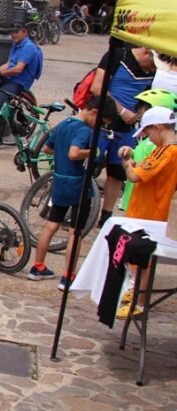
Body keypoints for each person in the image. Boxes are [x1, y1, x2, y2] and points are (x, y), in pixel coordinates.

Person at [115, 106, 177, 318]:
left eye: (148, 132)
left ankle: (139, 303)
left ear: (158, 128)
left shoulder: (165, 151)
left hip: (148, 213)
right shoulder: (168, 151)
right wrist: (134, 160)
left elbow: (135, 176)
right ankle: (137, 294)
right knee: (142, 259)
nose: (148, 138)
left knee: (144, 260)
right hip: (153, 212)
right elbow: (146, 169)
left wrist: (126, 164)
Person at [27, 103, 99, 283]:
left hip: (59, 181)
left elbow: (47, 148)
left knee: (51, 225)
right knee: (75, 232)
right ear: (94, 112)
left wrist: (62, 150)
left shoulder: (63, 124)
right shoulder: (84, 130)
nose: (98, 125)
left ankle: (38, 266)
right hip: (78, 184)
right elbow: (74, 154)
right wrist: (93, 152)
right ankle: (68, 276)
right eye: (100, 120)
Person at [88, 43, 155, 225]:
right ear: (146, 52)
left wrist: (141, 115)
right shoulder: (117, 55)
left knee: (117, 173)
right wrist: (122, 110)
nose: (153, 70)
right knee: (88, 167)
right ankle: (78, 210)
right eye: (153, 64)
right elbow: (97, 87)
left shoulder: (153, 70)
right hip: (102, 122)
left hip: (126, 129)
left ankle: (106, 217)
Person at [0, 19, 44, 143]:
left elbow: (18, 69)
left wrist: (1, 73)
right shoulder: (16, 44)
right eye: (11, 32)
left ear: (24, 32)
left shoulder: (28, 47)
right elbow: (9, 64)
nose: (13, 34)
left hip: (19, 82)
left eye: (16, 32)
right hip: (10, 78)